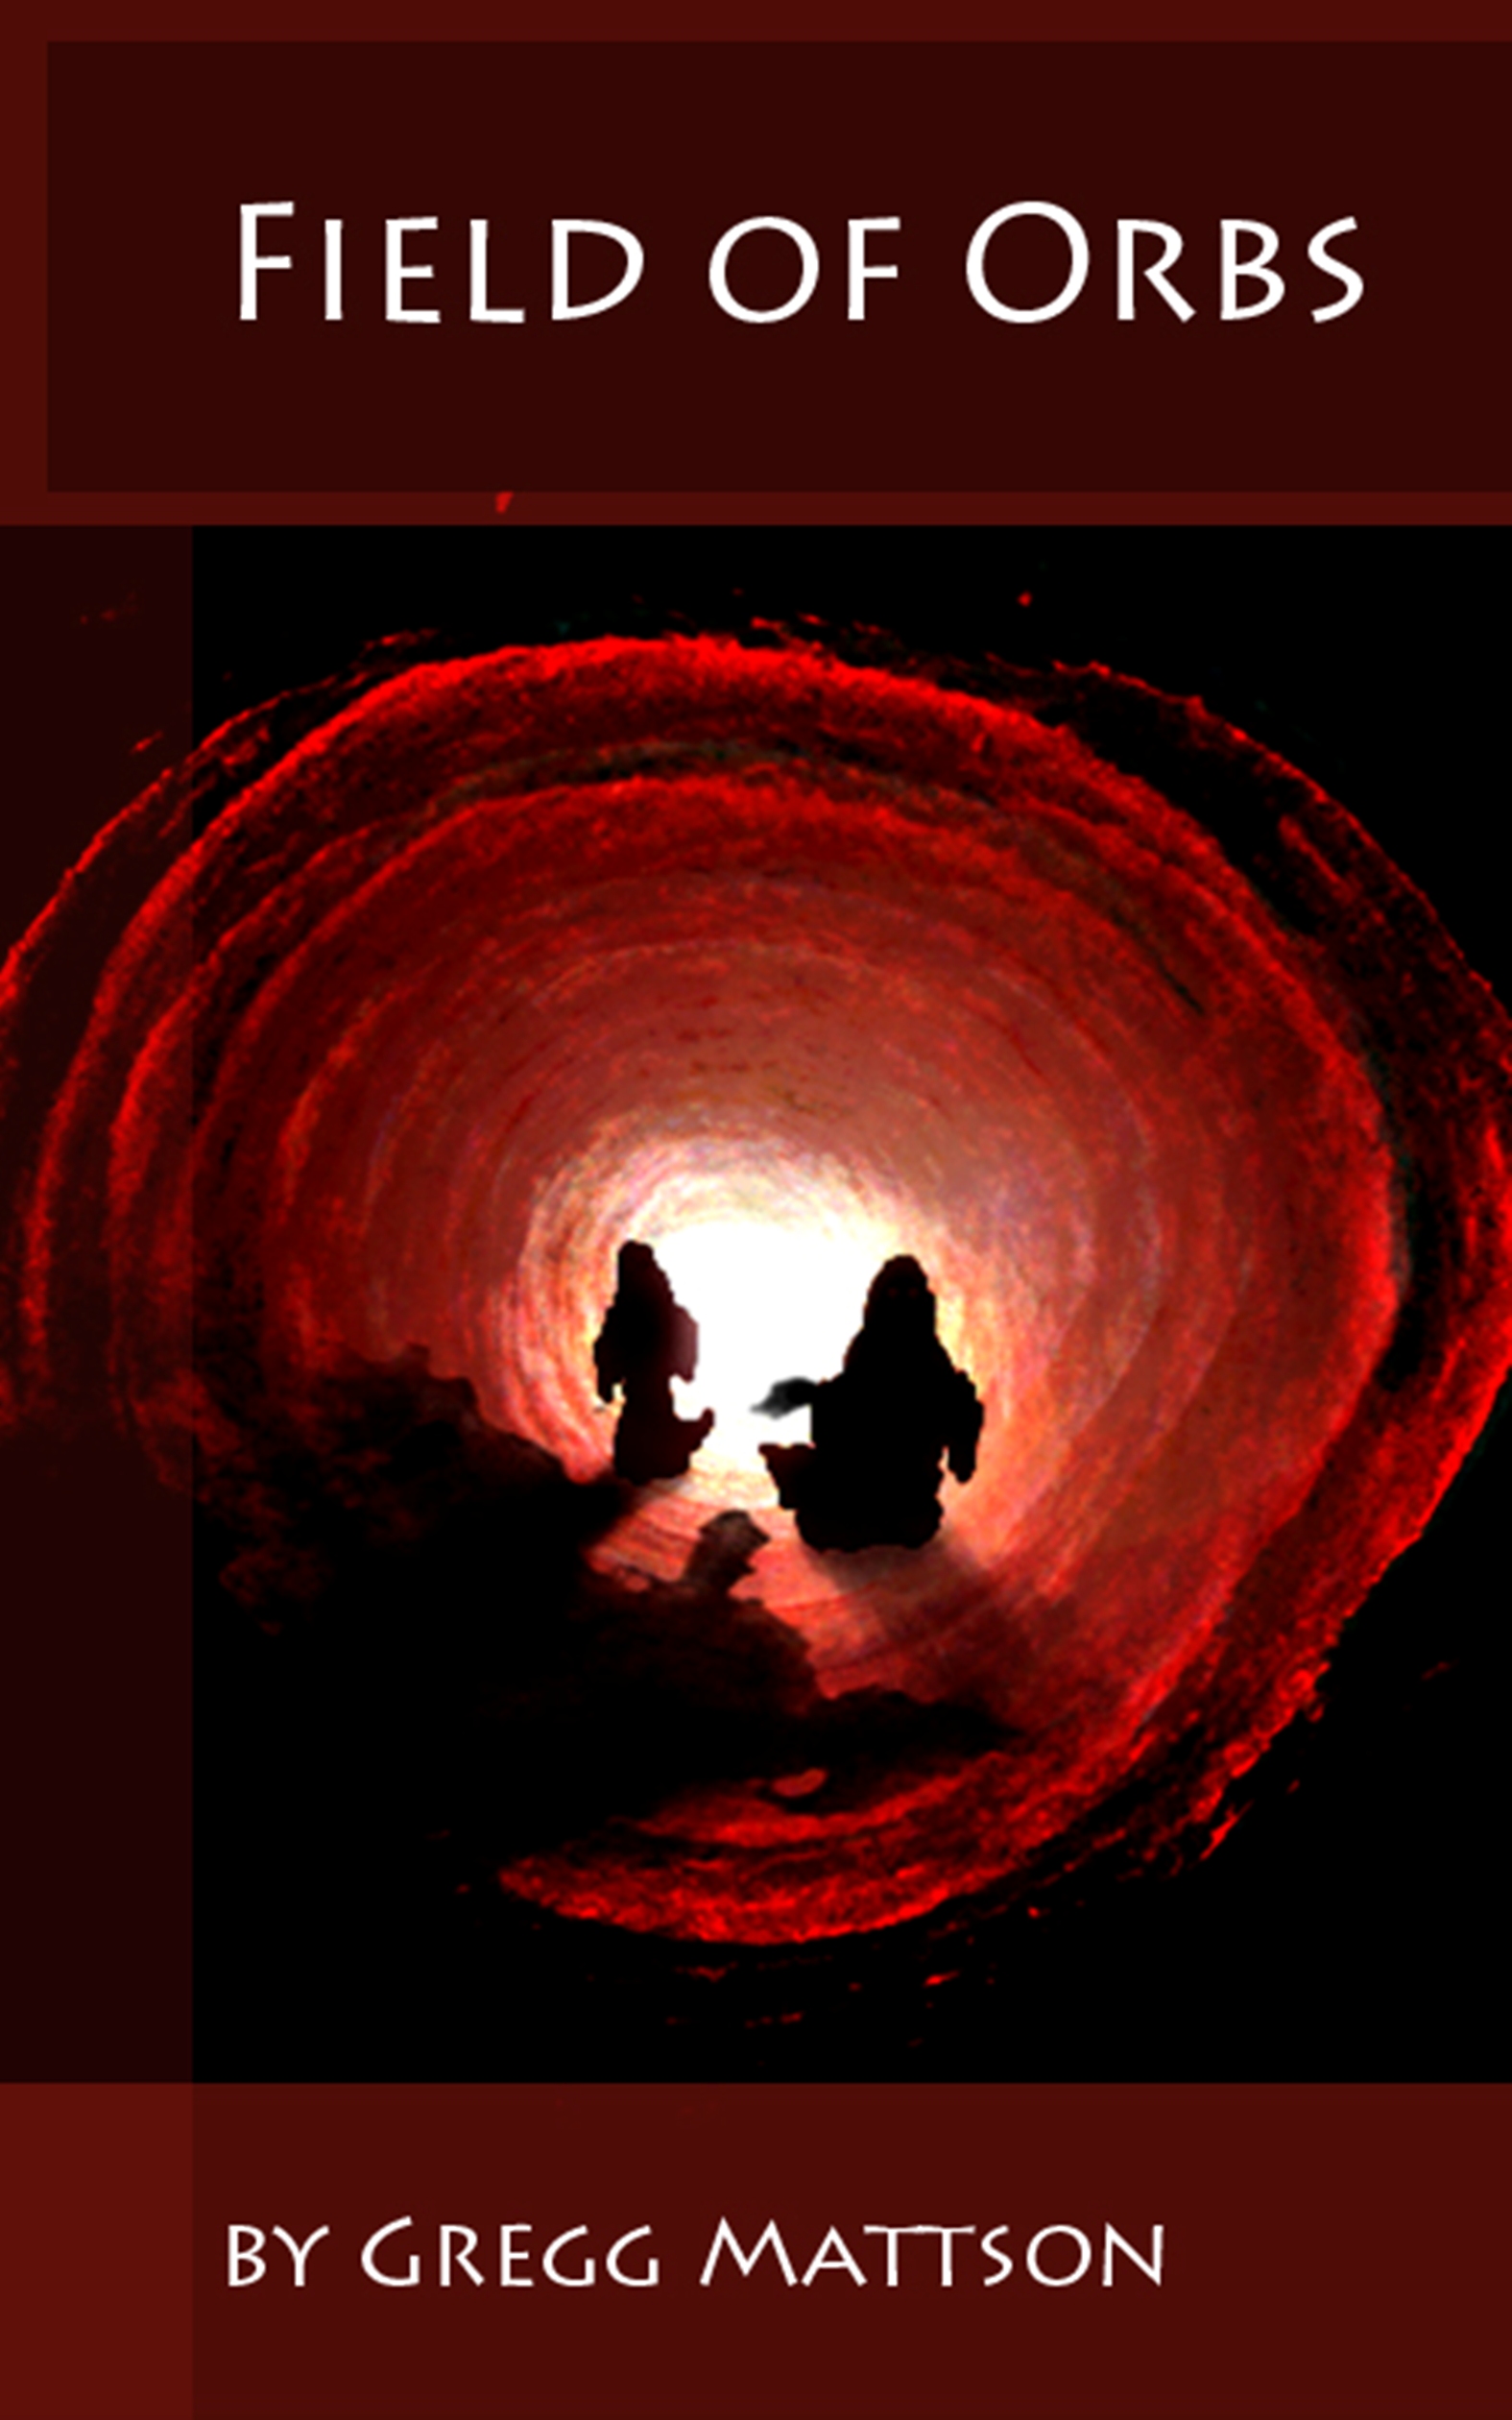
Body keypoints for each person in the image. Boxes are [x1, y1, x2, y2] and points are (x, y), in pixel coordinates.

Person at [756, 1254, 981, 1550]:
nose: (901, 1303)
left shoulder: (928, 1359)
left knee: (820, 1503)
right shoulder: (872, 1347)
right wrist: (817, 1396)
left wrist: (961, 1444)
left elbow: (958, 1427)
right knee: (819, 1510)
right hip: (865, 1499)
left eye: (911, 1294)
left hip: (902, 1501)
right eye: (894, 1294)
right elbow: (838, 1412)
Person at [592, 1240, 714, 1484]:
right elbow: (608, 1346)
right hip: (645, 1385)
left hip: (647, 1384)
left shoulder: (631, 1310)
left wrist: (607, 1380)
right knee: (647, 1418)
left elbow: (607, 1346)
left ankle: (665, 1452)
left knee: (648, 1417)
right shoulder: (634, 1309)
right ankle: (666, 1451)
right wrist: (606, 1379)